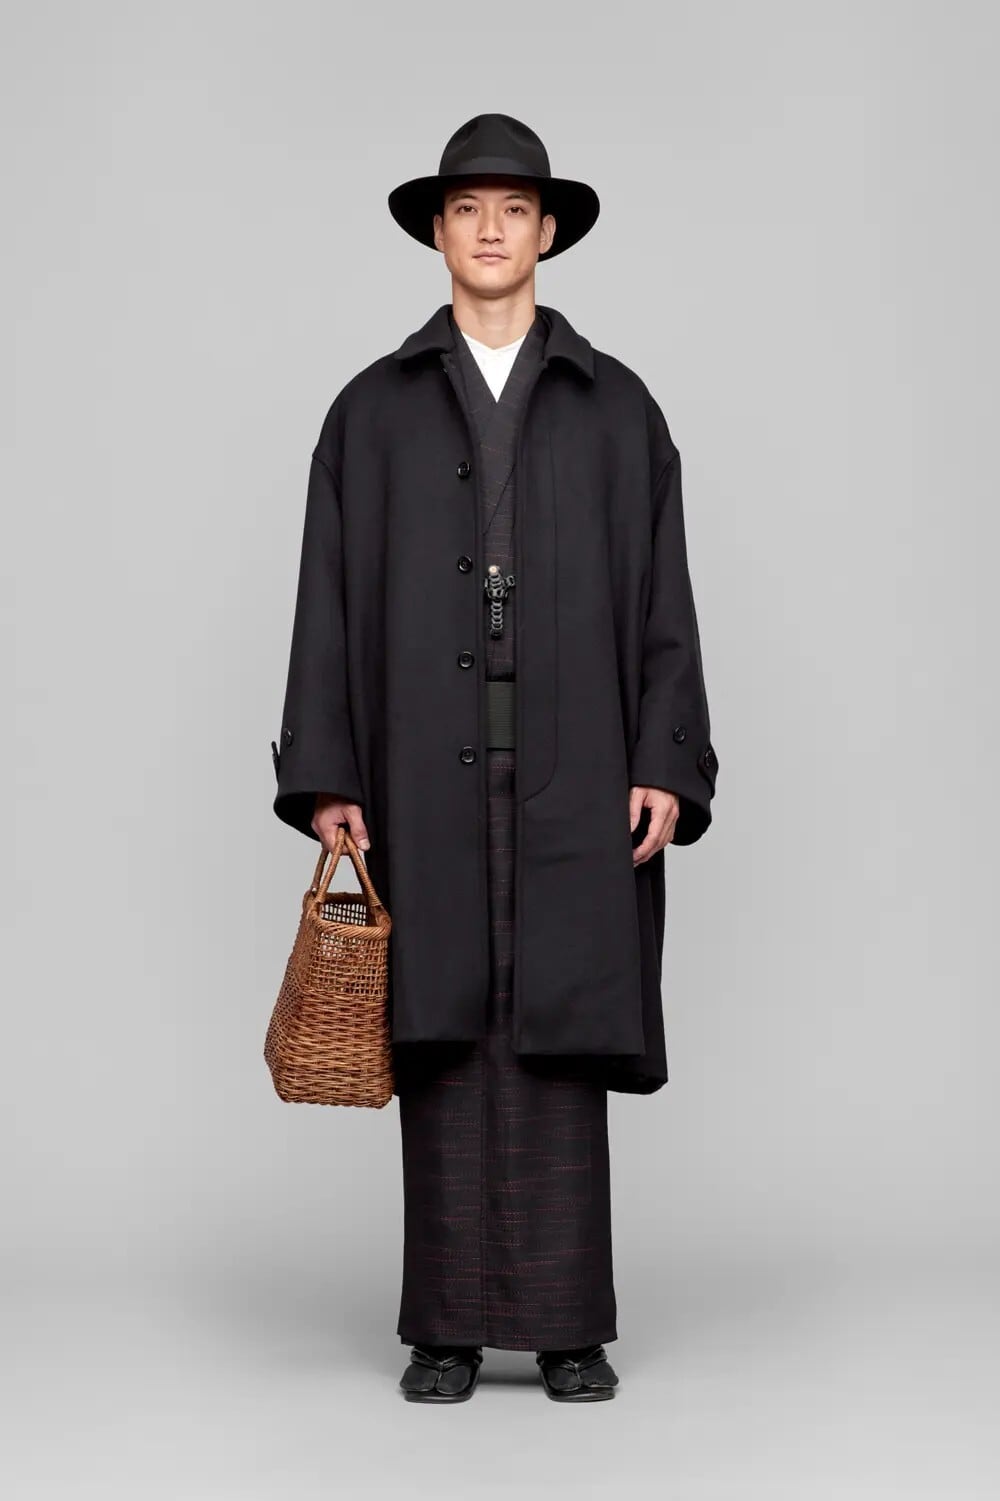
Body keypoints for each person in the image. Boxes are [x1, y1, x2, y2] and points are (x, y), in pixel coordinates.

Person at [270, 113, 719, 1404]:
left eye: (513, 209)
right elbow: (325, 602)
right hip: (425, 768)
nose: (489, 230)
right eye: (466, 208)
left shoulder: (617, 407)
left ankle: (571, 1327)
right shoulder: (372, 412)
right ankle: (446, 1328)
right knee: (443, 1028)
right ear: (436, 230)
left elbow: (666, 600)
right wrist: (331, 771)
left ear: (548, 232)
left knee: (563, 1028)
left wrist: (665, 758)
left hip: (581, 770)